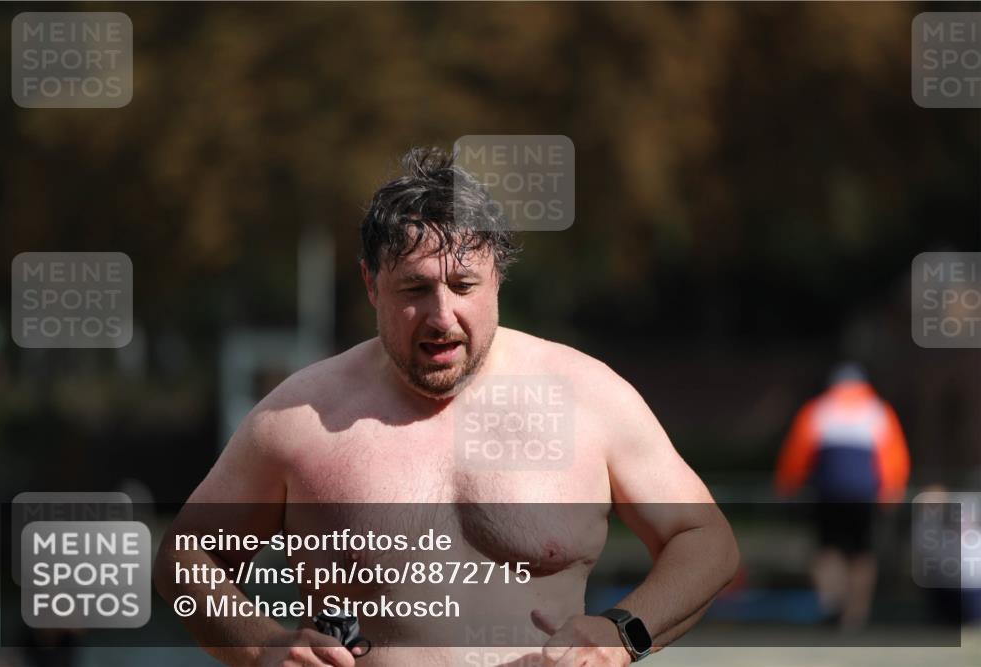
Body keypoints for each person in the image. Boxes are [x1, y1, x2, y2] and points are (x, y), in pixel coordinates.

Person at [155, 147, 739, 667]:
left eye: (464, 286)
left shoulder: (589, 399)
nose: (440, 317)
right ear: (370, 285)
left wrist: (619, 632)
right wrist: (261, 646)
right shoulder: (299, 418)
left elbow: (705, 540)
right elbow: (182, 559)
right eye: (414, 289)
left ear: (497, 282)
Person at [776, 362, 911, 631]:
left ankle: (830, 603)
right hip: (864, 494)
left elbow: (797, 454)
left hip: (829, 491)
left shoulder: (818, 410)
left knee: (828, 549)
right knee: (862, 553)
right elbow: (895, 459)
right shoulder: (879, 411)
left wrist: (786, 487)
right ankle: (856, 615)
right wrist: (891, 494)